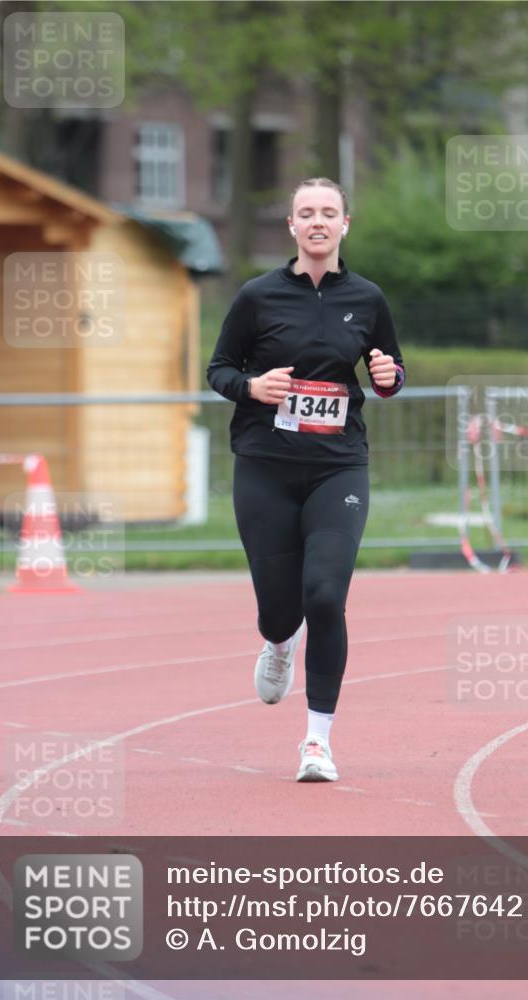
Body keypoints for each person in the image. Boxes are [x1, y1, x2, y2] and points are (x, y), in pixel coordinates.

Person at [207, 177, 405, 782]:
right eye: (306, 213)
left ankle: (316, 742)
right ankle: (276, 644)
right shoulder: (257, 296)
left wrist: (387, 374)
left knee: (325, 595)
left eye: (328, 213)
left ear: (346, 224)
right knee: (279, 609)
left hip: (337, 466)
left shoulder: (367, 298)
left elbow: (391, 377)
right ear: (291, 226)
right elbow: (218, 368)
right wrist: (252, 387)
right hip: (265, 465)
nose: (317, 222)